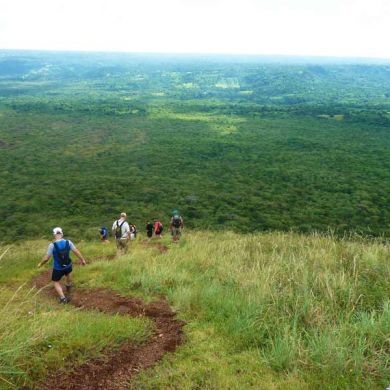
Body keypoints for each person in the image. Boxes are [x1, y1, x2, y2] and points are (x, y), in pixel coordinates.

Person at [37, 227, 86, 304]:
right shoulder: (68, 242)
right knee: (68, 274)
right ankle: (68, 287)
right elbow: (76, 251)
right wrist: (82, 260)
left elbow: (46, 258)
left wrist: (40, 264)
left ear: (54, 235)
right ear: (62, 234)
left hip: (58, 268)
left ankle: (63, 298)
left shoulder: (52, 245)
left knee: (56, 282)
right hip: (68, 265)